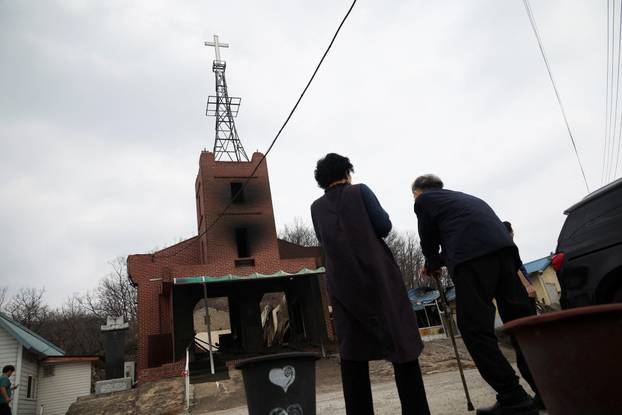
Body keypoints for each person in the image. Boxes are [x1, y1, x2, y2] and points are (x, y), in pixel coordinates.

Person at [311, 153, 430, 415]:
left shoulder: (315, 208)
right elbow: (383, 226)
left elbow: (323, 240)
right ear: (347, 172)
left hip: (343, 286)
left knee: (352, 355)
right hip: (378, 280)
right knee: (401, 347)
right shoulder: (360, 192)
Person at [412, 174, 540, 415]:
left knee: (474, 329)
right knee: (519, 325)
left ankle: (513, 398)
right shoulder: (465, 200)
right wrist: (436, 261)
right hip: (505, 256)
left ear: (418, 193)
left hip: (473, 261)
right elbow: (467, 237)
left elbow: (428, 240)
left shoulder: (424, 201)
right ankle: (544, 389)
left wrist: (430, 261)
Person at [502, 221, 538, 306]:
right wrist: (528, 286)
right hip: (523, 292)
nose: (513, 233)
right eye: (512, 231)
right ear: (509, 232)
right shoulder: (508, 247)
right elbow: (515, 268)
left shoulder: (503, 247)